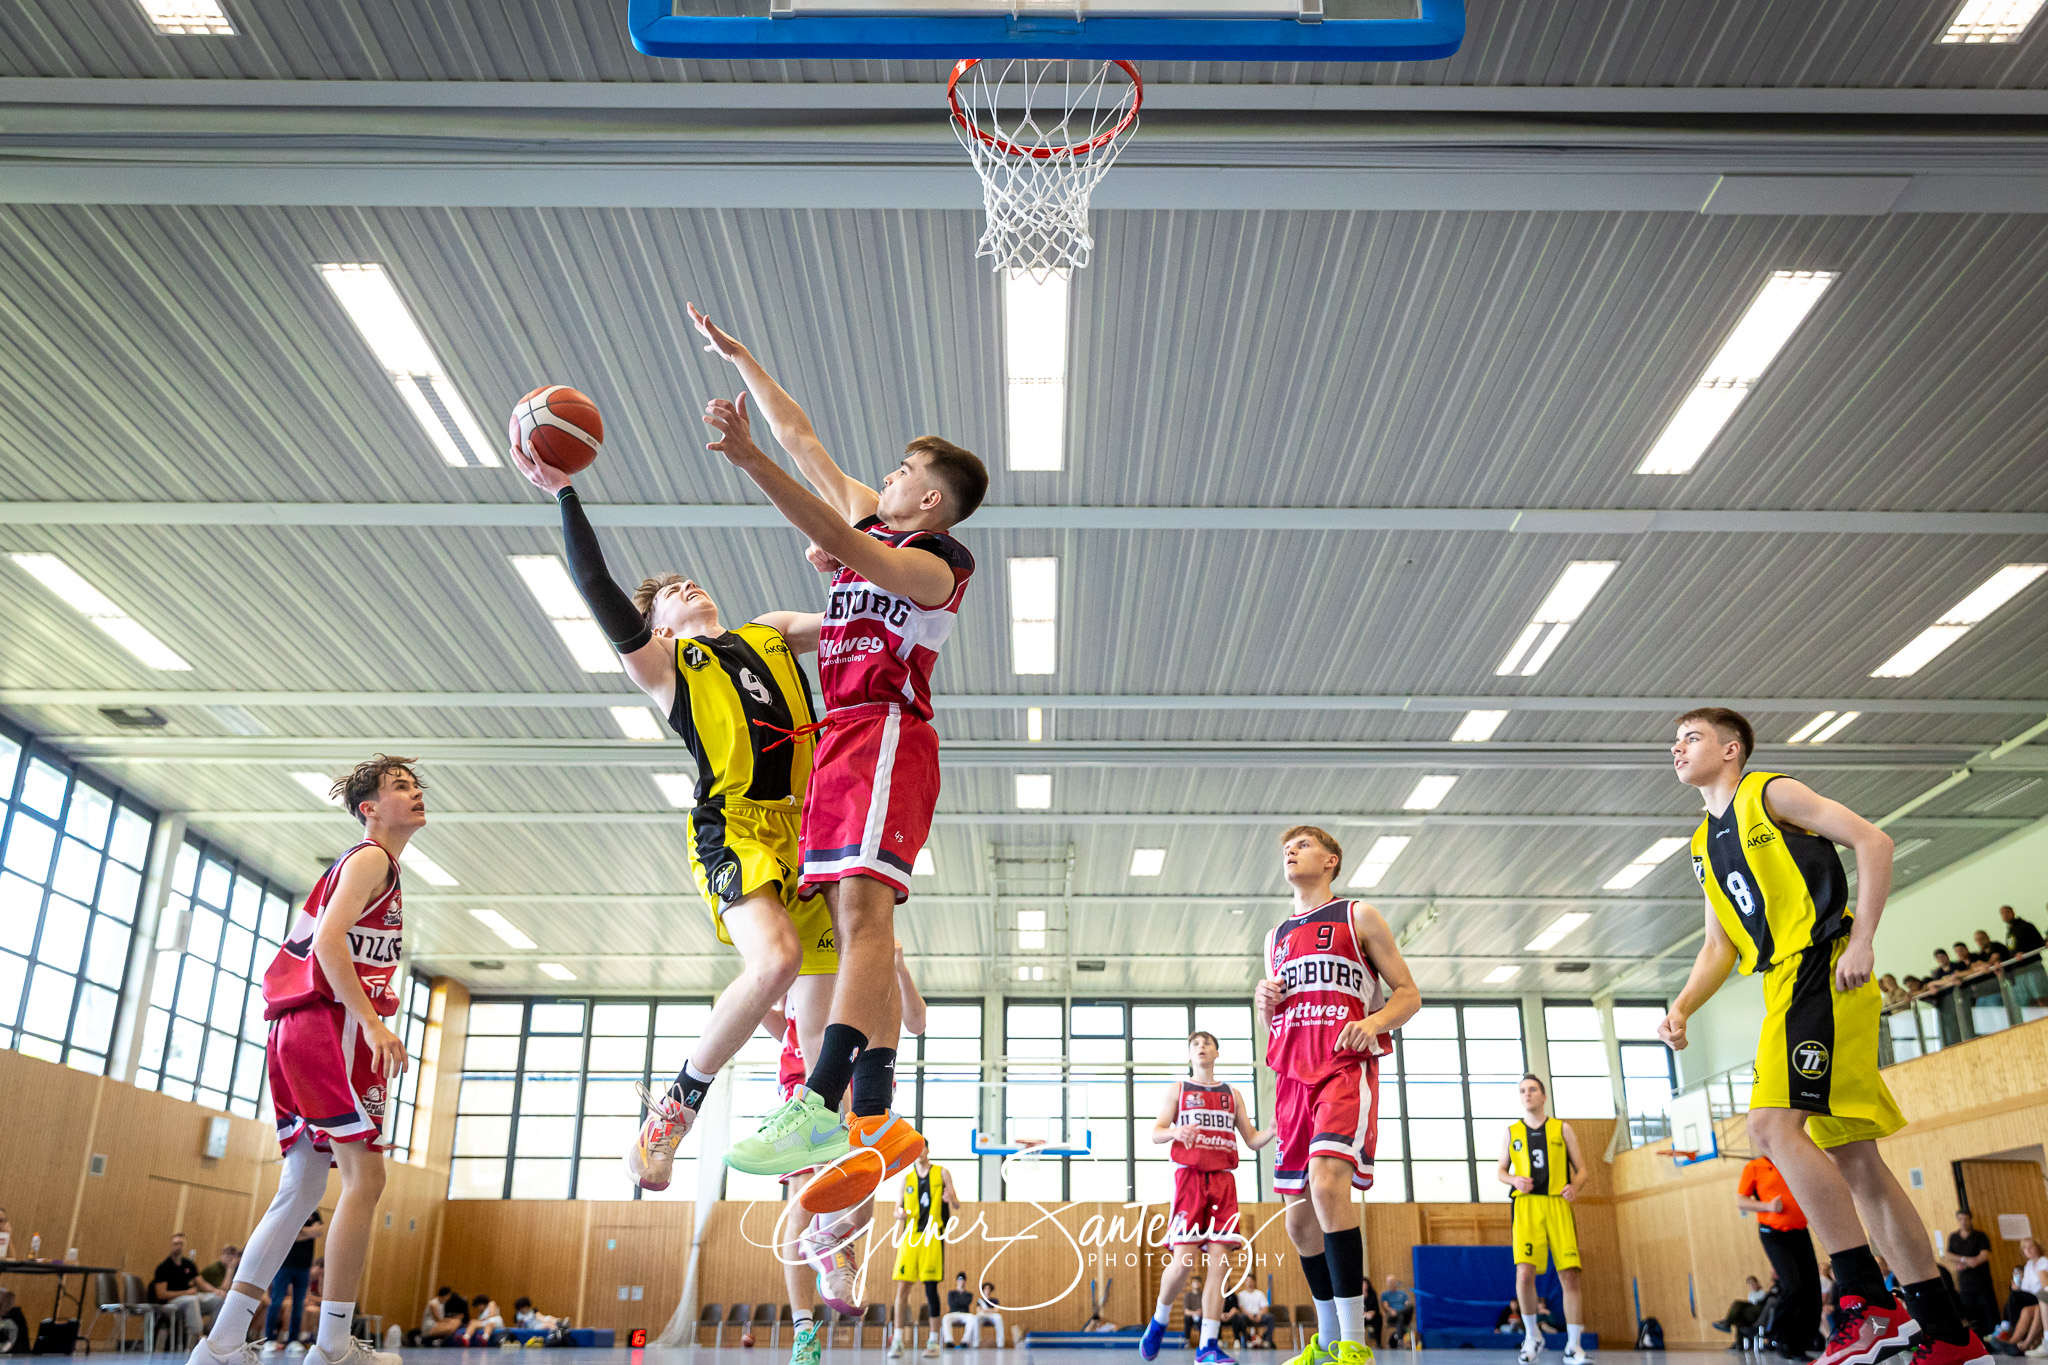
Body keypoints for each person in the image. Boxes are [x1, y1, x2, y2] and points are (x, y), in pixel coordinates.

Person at [692, 304, 986, 1215]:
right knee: (861, 921)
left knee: (863, 922)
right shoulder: (877, 526)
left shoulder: (938, 562)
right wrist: (746, 360)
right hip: (843, 738)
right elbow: (804, 435)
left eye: (901, 473)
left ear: (927, 500)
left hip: (888, 730)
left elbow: (846, 533)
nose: (885, 477)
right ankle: (879, 1114)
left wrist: (749, 464)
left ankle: (816, 1103)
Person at [507, 437, 837, 1192]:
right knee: (777, 959)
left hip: (810, 833)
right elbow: (595, 585)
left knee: (813, 1023)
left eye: (693, 580)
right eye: (673, 593)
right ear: (656, 628)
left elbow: (854, 621)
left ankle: (816, 1180)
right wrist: (564, 492)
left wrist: (847, 562)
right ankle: (674, 1111)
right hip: (735, 825)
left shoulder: (771, 630)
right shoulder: (668, 668)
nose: (690, 586)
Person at [1657, 707, 1989, 1365]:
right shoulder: (1702, 844)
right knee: (1857, 1161)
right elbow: (1719, 943)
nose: (1677, 747)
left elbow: (1875, 841)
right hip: (1783, 982)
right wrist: (1685, 1005)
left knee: (1771, 1128)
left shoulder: (1771, 793)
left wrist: (1862, 936)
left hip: (1823, 967)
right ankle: (1948, 1332)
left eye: (1691, 736)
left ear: (1731, 749)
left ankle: (1867, 1302)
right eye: (1674, 739)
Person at [185, 755, 424, 1365]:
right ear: (369, 808)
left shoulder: (364, 864)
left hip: (294, 1029)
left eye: (416, 783)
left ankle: (221, 1343)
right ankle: (335, 1345)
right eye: (402, 786)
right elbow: (326, 941)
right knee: (365, 1179)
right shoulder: (372, 858)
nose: (417, 792)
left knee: (301, 1185)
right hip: (330, 1025)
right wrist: (372, 1024)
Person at [1256, 826, 1421, 1365]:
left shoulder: (1358, 916)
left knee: (1329, 1187)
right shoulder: (1275, 935)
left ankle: (1355, 1341)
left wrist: (1372, 1023)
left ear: (1331, 861)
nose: (1291, 850)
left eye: (1303, 844)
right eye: (1288, 846)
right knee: (1300, 1220)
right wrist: (1264, 1005)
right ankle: (1327, 1341)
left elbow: (1409, 994)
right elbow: (1278, 1025)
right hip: (1291, 1082)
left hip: (1343, 1070)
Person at [780, 942, 928, 1365]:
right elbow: (787, 1019)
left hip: (866, 1095)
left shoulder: (875, 965)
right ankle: (804, 1328)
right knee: (806, 1196)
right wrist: (788, 1041)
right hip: (810, 1084)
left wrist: (896, 964)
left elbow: (917, 1022)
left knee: (861, 1209)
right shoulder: (810, 963)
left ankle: (834, 1247)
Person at [1139, 1031, 1275, 1364]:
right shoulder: (1179, 1089)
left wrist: (1273, 1130)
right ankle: (1159, 1319)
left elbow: (1252, 1139)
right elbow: (1156, 1132)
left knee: (1220, 1267)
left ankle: (1208, 1346)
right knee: (1183, 1264)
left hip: (1223, 1182)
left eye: (1206, 1044)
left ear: (1217, 1052)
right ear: (1190, 1055)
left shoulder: (1233, 1094)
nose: (1201, 1048)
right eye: (1195, 1045)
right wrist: (1175, 1131)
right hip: (1188, 1180)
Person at [1497, 1075, 1592, 1365]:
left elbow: (1583, 1170)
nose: (1527, 1094)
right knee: (1524, 1274)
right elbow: (1501, 1171)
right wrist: (1514, 1178)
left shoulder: (1562, 1128)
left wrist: (1575, 1186)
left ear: (1543, 1095)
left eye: (1532, 1089)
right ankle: (1531, 1335)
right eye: (1522, 1090)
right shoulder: (1512, 1131)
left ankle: (1573, 1345)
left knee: (1569, 1275)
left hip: (1557, 1204)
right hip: (1526, 1207)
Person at [1737, 1154, 1822, 1358]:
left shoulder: (1792, 1159)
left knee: (1812, 1290)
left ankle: (1797, 1343)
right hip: (1773, 1233)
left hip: (1800, 1231)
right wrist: (1767, 1206)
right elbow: (1741, 1201)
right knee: (1792, 1286)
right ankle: (1774, 1332)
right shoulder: (1755, 1167)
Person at [890, 1152, 962, 1359]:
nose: (918, 1152)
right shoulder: (907, 1178)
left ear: (927, 1151)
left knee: (931, 1289)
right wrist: (899, 1214)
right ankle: (897, 1340)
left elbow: (956, 1204)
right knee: (902, 1288)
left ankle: (933, 1341)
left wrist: (951, 1199)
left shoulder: (942, 1173)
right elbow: (896, 1209)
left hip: (933, 1236)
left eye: (921, 1148)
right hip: (910, 1237)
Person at [263, 1212, 323, 1354]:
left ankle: (293, 1340)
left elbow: (319, 1232)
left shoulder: (314, 1213)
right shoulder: (293, 1208)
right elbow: (288, 1232)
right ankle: (270, 1339)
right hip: (285, 1264)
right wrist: (309, 1232)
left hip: (304, 1267)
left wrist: (299, 1231)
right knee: (276, 1302)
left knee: (299, 1304)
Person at [155, 1232, 225, 1343]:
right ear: (171, 1245)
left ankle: (213, 1334)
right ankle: (198, 1337)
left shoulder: (188, 1264)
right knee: (191, 1300)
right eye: (176, 1244)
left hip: (192, 1297)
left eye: (181, 1244)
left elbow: (201, 1283)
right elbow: (161, 1294)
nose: (178, 1247)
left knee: (218, 1299)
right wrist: (185, 1293)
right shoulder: (163, 1267)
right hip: (174, 1301)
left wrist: (216, 1291)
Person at [1947, 1212, 1999, 1339]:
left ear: (1970, 1220)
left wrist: (1969, 1263)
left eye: (1966, 1218)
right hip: (1965, 1282)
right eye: (1960, 1219)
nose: (1963, 1221)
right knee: (1968, 1310)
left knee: (1988, 1309)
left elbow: (1984, 1255)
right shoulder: (1953, 1237)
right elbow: (1949, 1255)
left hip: (1982, 1279)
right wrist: (1963, 1260)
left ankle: (1994, 1337)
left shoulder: (1980, 1236)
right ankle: (1974, 1338)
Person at [1712, 1278, 1770, 1349]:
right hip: (1750, 1313)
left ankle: (1727, 1323)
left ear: (1757, 1283)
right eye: (1750, 1284)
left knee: (1738, 1304)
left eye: (1753, 1283)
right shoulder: (1751, 1294)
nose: (1752, 1285)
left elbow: (1761, 1306)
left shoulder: (1764, 1293)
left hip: (1758, 1313)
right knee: (1738, 1318)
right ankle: (1738, 1343)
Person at [1229, 1286, 1275, 1350]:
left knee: (1270, 1317)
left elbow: (1265, 1307)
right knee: (1240, 1318)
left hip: (1259, 1315)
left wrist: (1260, 1315)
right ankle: (1248, 1340)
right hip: (1246, 1316)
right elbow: (1240, 1308)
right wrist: (1249, 1315)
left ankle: (1266, 1340)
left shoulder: (1259, 1293)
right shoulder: (1241, 1294)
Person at [1380, 1279, 1413, 1350]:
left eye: (1392, 1281)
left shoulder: (1402, 1293)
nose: (1391, 1284)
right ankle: (1400, 1341)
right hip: (1392, 1316)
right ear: (1387, 1283)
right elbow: (1386, 1306)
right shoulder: (1385, 1294)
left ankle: (1400, 1341)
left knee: (1410, 1307)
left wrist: (1404, 1308)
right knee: (1400, 1317)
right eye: (1389, 1282)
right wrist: (1391, 1311)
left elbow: (1407, 1304)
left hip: (1403, 1315)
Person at [975, 1284, 1008, 1350]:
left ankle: (1000, 1343)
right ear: (983, 1290)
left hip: (992, 1315)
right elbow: (978, 1311)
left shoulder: (994, 1300)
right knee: (975, 1318)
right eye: (985, 1289)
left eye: (988, 1289)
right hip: (983, 1316)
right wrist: (985, 1310)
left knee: (999, 1317)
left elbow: (996, 1310)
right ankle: (976, 1343)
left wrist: (988, 1310)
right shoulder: (980, 1301)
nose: (987, 1290)